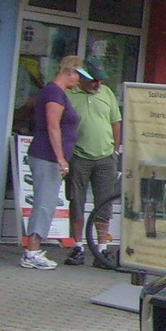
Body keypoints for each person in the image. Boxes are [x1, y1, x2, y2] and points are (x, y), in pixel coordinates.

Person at [22, 55, 83, 269]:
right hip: (47, 156)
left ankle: (34, 249)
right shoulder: (54, 92)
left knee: (45, 203)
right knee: (44, 203)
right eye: (78, 75)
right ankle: (32, 251)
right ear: (70, 72)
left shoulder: (58, 93)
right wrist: (60, 158)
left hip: (49, 156)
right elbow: (52, 125)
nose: (79, 81)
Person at [65, 62, 122, 266]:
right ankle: (77, 246)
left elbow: (116, 122)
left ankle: (102, 249)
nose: (98, 83)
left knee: (104, 203)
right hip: (79, 156)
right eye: (93, 80)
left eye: (100, 80)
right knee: (76, 201)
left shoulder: (106, 93)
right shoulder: (70, 95)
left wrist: (115, 149)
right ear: (82, 78)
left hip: (105, 156)